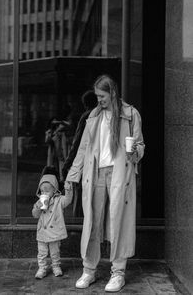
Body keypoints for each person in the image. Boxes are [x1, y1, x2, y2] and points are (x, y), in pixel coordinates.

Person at [65, 75, 145, 292]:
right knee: (93, 222)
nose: (98, 99)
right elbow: (83, 150)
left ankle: (118, 273)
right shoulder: (94, 116)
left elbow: (139, 146)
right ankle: (88, 270)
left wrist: (134, 152)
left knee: (117, 222)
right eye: (97, 96)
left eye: (101, 95)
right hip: (96, 174)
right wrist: (72, 177)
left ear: (112, 93)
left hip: (120, 174)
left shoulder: (130, 114)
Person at [32, 166, 73, 279]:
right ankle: (42, 268)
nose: (44, 193)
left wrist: (68, 189)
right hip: (42, 232)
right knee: (42, 252)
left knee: (55, 251)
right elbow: (35, 215)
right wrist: (37, 207)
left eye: (47, 190)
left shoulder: (59, 200)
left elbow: (68, 200)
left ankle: (56, 266)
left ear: (54, 190)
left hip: (54, 232)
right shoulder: (39, 201)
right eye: (42, 191)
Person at [62, 90, 97, 216]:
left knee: (80, 193)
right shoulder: (102, 115)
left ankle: (78, 225)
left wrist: (68, 163)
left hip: (84, 161)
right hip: (98, 162)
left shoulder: (87, 116)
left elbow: (78, 142)